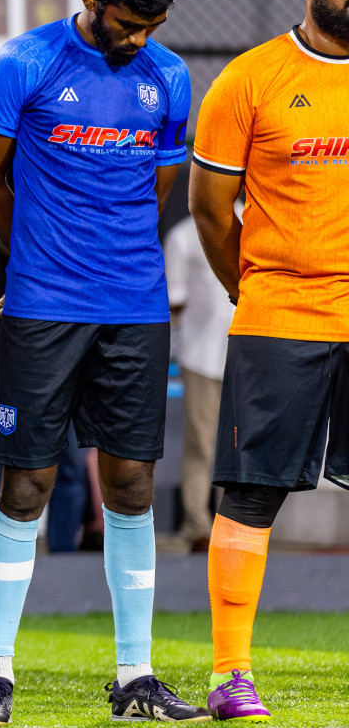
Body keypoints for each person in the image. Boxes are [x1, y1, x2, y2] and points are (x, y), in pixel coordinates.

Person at [0, 0, 209, 726]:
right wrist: (31, 259)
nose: (140, 39)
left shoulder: (168, 78)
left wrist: (110, 259)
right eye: (128, 24)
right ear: (90, 0)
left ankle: (135, 676)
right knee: (28, 483)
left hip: (134, 308)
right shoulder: (21, 65)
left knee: (132, 484)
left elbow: (160, 188)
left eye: (153, 26)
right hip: (42, 306)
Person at [189, 0, 349, 722]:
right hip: (281, 312)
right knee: (250, 496)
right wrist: (249, 283)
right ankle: (230, 675)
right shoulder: (248, 80)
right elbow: (211, 211)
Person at [163, 211, 234, 552]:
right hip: (202, 356)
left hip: (246, 355)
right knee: (202, 446)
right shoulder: (181, 237)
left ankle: (235, 527)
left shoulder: (250, 225)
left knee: (239, 448)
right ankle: (198, 527)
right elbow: (173, 301)